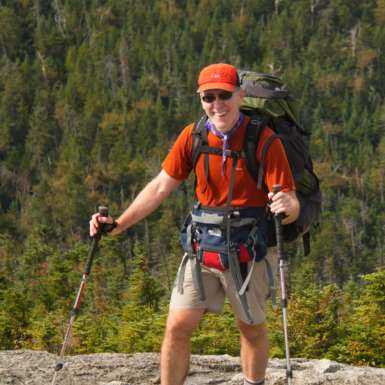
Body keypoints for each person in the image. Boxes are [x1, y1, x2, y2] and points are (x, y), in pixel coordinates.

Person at [90, 63, 300, 385]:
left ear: (240, 95)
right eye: (208, 97)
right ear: (201, 98)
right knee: (177, 325)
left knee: (251, 329)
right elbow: (161, 186)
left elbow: (291, 202)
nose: (217, 104)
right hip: (204, 247)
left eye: (225, 95)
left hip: (249, 252)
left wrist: (288, 205)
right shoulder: (194, 135)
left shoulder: (265, 141)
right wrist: (118, 224)